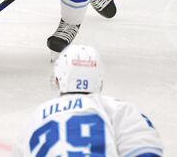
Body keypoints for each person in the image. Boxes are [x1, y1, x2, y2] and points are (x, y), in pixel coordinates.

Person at [13, 44, 164, 156]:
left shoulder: (36, 116)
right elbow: (147, 150)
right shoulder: (117, 109)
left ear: (58, 80)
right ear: (100, 82)